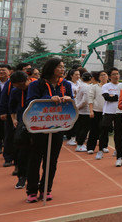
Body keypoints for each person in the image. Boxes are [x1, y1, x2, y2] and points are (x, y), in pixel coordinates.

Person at [25, 58, 74, 202]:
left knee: (52, 160)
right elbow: (30, 102)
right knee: (35, 159)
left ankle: (46, 189)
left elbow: (72, 103)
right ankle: (32, 190)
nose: (62, 69)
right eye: (59, 66)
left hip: (57, 128)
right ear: (51, 68)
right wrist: (49, 98)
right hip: (39, 128)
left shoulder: (65, 85)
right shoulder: (36, 84)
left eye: (63, 66)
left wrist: (68, 99)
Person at [9, 71, 32, 189]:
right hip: (21, 123)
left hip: (35, 123)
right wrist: (14, 119)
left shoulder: (35, 88)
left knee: (35, 152)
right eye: (17, 85)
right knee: (21, 150)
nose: (20, 87)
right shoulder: (15, 91)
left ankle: (34, 178)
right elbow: (12, 107)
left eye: (22, 85)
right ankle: (21, 177)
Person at [99, 68, 122, 166]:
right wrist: (116, 97)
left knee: (118, 134)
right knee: (104, 130)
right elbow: (107, 97)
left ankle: (118, 154)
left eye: (117, 74)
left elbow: (121, 98)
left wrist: (114, 96)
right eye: (113, 74)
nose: (116, 76)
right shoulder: (106, 85)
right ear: (109, 76)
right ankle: (101, 150)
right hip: (108, 112)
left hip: (118, 112)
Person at [86, 71, 107, 155]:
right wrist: (91, 111)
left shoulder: (110, 87)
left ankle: (103, 146)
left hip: (106, 112)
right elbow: (90, 99)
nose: (103, 76)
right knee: (94, 129)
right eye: (101, 75)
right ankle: (90, 147)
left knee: (104, 130)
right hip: (96, 111)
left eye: (105, 75)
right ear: (99, 77)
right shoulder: (95, 87)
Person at [73, 72, 93, 152]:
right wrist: (78, 107)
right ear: (90, 79)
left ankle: (79, 143)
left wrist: (77, 107)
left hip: (81, 111)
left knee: (80, 127)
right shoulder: (87, 87)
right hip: (85, 111)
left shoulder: (80, 86)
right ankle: (80, 145)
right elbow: (85, 100)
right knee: (84, 129)